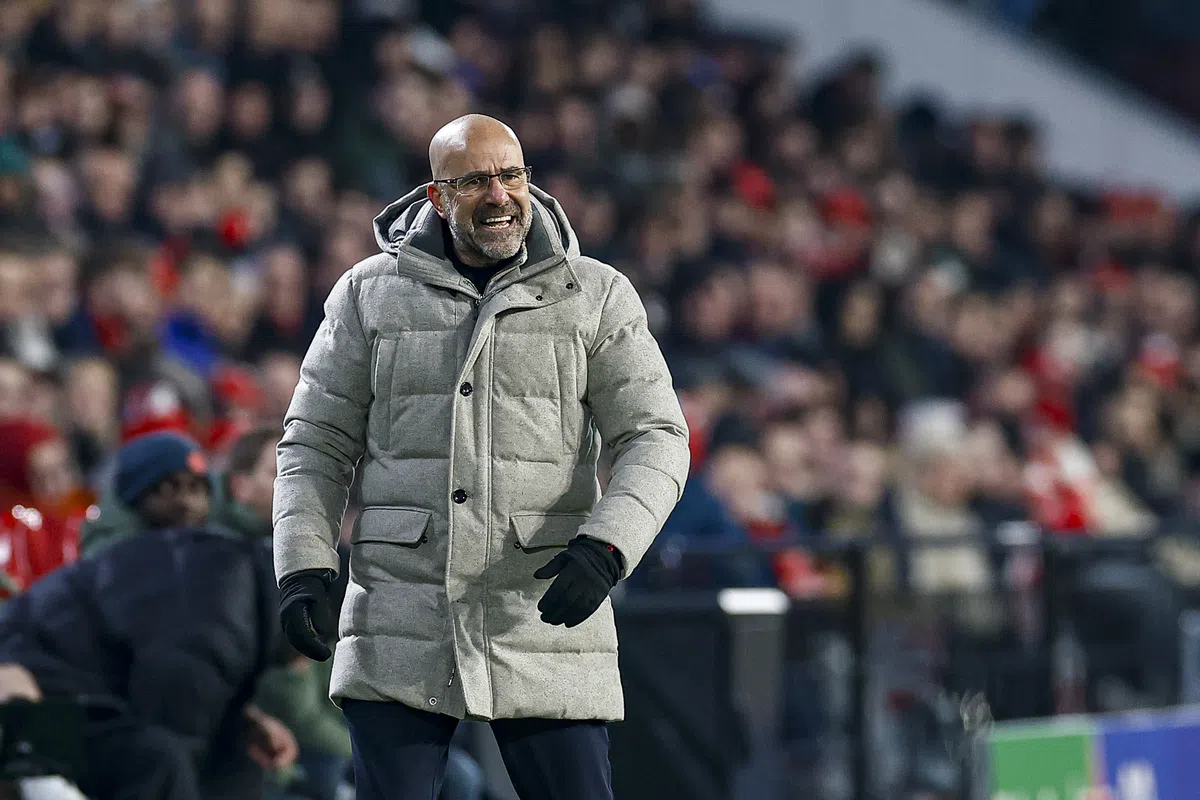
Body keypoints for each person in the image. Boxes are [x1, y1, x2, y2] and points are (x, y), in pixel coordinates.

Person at [273, 114, 690, 800]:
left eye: (511, 175)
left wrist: (609, 546)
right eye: (474, 181)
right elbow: (315, 441)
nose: (499, 195)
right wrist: (302, 564)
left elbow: (658, 437)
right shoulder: (366, 294)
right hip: (400, 612)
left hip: (542, 607)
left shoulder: (596, 294)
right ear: (436, 197)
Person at [0, 433, 297, 800]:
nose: (185, 502)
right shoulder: (125, 562)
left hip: (106, 709)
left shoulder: (203, 565)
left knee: (233, 759)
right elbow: (168, 695)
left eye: (197, 488)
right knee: (162, 760)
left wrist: (243, 720)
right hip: (51, 709)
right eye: (168, 488)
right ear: (133, 496)